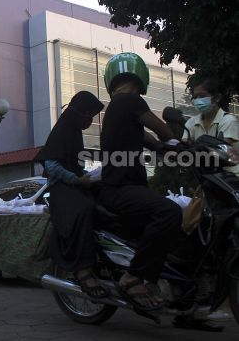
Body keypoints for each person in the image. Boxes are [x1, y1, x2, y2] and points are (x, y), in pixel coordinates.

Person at [99, 52, 182, 311]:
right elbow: (160, 128)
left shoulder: (118, 107)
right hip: (121, 189)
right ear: (139, 78)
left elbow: (147, 138)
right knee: (168, 211)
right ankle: (134, 276)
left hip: (123, 187)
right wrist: (177, 141)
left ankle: (177, 290)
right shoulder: (130, 100)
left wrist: (162, 148)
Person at [35, 91, 107, 298]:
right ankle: (82, 269)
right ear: (78, 113)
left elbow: (74, 166)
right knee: (84, 209)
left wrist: (91, 176)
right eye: (88, 115)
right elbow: (52, 165)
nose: (90, 120)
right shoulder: (62, 131)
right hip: (61, 189)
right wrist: (79, 180)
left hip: (76, 185)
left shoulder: (75, 132)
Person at [182, 76, 239, 176]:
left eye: (202, 96)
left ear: (216, 98)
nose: (198, 100)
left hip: (232, 179)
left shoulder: (228, 121)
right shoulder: (191, 123)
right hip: (209, 179)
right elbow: (184, 148)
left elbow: (222, 153)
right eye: (195, 97)